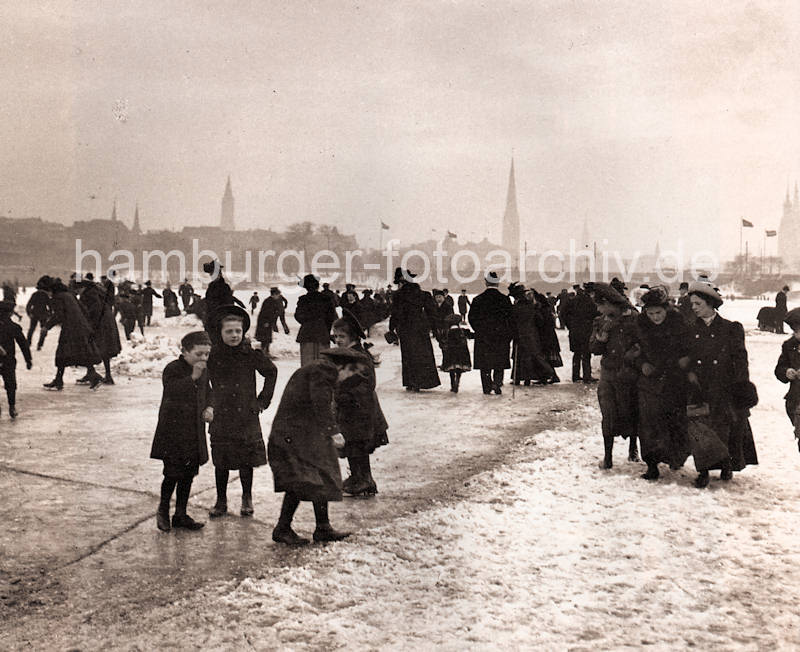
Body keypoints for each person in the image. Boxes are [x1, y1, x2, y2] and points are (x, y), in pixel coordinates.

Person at [268, 347, 358, 545]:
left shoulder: (318, 369)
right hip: (294, 435)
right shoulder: (325, 372)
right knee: (301, 479)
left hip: (301, 433)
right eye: (350, 373)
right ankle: (283, 528)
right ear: (343, 367)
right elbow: (320, 403)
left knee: (320, 475)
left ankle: (322, 527)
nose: (346, 379)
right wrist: (333, 431)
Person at [205, 305, 278, 518]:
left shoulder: (249, 353)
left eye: (238, 331)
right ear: (219, 332)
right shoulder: (213, 354)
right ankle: (221, 500)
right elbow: (202, 381)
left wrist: (263, 401)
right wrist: (209, 403)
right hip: (222, 415)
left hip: (246, 414)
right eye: (229, 331)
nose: (234, 335)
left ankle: (247, 498)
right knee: (222, 460)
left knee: (247, 460)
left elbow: (271, 372)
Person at [686, 281, 758, 488]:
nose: (694, 308)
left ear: (710, 304)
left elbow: (740, 358)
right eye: (692, 304)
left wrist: (741, 384)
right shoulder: (690, 329)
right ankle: (703, 471)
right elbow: (685, 358)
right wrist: (689, 373)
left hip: (724, 387)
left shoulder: (731, 328)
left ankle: (726, 465)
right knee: (700, 428)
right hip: (699, 388)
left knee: (725, 428)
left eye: (698, 304)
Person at [150, 331, 212, 531]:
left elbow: (209, 393)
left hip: (194, 432)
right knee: (172, 473)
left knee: (188, 474)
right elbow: (172, 390)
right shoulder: (173, 369)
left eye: (206, 354)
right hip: (174, 433)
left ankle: (181, 514)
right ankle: (163, 511)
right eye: (198, 354)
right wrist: (192, 377)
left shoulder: (204, 370)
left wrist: (210, 407)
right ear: (184, 351)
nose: (203, 358)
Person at [632, 287, 690, 480]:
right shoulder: (640, 325)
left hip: (675, 381)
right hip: (649, 383)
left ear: (667, 309)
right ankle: (652, 464)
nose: (655, 317)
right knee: (648, 424)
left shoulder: (679, 324)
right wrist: (642, 364)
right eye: (650, 313)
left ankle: (675, 457)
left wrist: (684, 361)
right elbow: (631, 351)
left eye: (659, 313)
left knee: (675, 421)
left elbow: (688, 350)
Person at [331, 311, 388, 495]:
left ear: (352, 337)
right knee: (352, 445)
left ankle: (364, 479)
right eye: (336, 336)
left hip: (361, 410)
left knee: (358, 447)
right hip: (350, 410)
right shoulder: (346, 353)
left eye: (342, 336)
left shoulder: (359, 356)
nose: (338, 340)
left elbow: (368, 383)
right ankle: (359, 477)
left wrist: (349, 395)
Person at [590, 282, 640, 468]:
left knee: (632, 412)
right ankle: (608, 456)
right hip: (609, 374)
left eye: (600, 305)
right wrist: (600, 341)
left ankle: (633, 447)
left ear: (609, 303)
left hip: (629, 375)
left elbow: (643, 344)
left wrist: (633, 353)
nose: (598, 309)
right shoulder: (600, 321)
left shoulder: (633, 319)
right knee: (608, 413)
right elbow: (593, 348)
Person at [42, 279, 103, 390]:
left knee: (62, 354)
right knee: (81, 353)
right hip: (81, 327)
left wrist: (47, 326)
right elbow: (84, 309)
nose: (48, 294)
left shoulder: (58, 298)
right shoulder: (70, 295)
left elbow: (59, 315)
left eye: (48, 291)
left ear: (52, 290)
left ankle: (59, 381)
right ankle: (91, 376)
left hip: (71, 330)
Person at [388, 267, 440, 392]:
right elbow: (432, 313)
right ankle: (423, 381)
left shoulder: (398, 295)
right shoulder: (423, 294)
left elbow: (394, 313)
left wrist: (391, 328)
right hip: (421, 328)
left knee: (408, 355)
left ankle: (410, 382)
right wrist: (434, 328)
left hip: (405, 329)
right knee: (422, 354)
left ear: (401, 282)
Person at [469, 271, 513, 395]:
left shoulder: (478, 299)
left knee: (485, 363)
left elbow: (471, 318)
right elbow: (511, 319)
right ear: (498, 283)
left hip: (483, 336)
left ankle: (487, 386)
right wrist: (508, 334)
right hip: (501, 336)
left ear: (486, 282)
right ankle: (497, 382)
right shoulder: (505, 300)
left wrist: (479, 330)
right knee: (499, 361)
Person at [78, 274, 122, 385]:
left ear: (82, 287)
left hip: (101, 323)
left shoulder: (90, 293)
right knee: (103, 349)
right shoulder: (96, 291)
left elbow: (95, 309)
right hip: (106, 322)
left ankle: (98, 374)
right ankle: (102, 374)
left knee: (92, 347)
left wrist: (90, 325)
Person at [508, 283, 555, 386]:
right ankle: (529, 378)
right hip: (532, 335)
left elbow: (511, 322)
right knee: (530, 356)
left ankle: (517, 378)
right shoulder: (532, 306)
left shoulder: (515, 308)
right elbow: (540, 320)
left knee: (519, 356)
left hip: (519, 335)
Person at [295, 274, 337, 366]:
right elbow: (331, 317)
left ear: (306, 288)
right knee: (323, 365)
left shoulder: (303, 300)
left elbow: (298, 316)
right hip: (322, 334)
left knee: (307, 365)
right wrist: (325, 329)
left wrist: (307, 323)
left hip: (306, 334)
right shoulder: (326, 299)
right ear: (317, 286)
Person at [0, 299, 32, 419]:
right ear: (10, 313)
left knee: (10, 384)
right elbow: (23, 345)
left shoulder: (13, 327)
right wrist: (28, 360)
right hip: (8, 361)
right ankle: (12, 406)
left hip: (7, 360)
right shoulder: (14, 327)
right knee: (11, 384)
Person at [775, 307, 800, 450]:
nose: (797, 335)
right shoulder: (789, 345)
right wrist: (786, 372)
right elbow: (779, 368)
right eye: (795, 331)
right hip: (796, 402)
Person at [562, 284, 597, 383]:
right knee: (586, 354)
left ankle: (575, 376)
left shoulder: (572, 300)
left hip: (574, 331)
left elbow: (563, 313)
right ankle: (587, 376)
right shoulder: (590, 302)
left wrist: (570, 325)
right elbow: (596, 314)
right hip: (586, 330)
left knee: (576, 354)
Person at [203, 260, 245, 334]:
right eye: (211, 274)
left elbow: (228, 305)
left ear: (219, 274)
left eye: (213, 274)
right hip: (211, 320)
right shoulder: (211, 286)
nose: (212, 276)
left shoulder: (224, 287)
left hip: (220, 321)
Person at [440, 312, 472, 393]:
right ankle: (457, 380)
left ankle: (452, 383)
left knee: (451, 370)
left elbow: (442, 341)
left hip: (450, 354)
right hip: (461, 354)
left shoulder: (446, 332)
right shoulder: (463, 331)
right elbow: (472, 336)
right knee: (459, 370)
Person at [26, 275, 52, 350]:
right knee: (43, 329)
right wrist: (50, 314)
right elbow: (50, 306)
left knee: (31, 329)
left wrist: (29, 313)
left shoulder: (35, 294)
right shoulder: (46, 295)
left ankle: (28, 343)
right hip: (43, 314)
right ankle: (40, 344)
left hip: (34, 314)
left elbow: (28, 305)